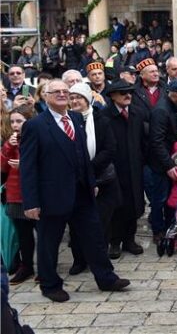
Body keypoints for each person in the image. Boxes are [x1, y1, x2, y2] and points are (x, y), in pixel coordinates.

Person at [19, 79, 129, 302]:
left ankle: (106, 278)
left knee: (94, 238)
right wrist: (31, 202)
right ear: (45, 96)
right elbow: (28, 167)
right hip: (52, 196)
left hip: (82, 193)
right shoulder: (35, 125)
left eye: (65, 91)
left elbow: (82, 157)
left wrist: (92, 182)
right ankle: (50, 286)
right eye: (56, 91)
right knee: (49, 244)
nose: (62, 94)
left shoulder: (77, 119)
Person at [67, 82, 122, 273]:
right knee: (76, 224)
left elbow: (110, 149)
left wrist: (89, 169)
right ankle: (79, 259)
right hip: (75, 181)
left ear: (87, 100)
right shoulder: (66, 122)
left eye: (78, 98)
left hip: (102, 179)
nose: (74, 101)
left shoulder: (101, 120)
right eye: (71, 98)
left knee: (100, 222)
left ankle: (98, 258)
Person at [146, 78, 177, 243]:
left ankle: (170, 226)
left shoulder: (173, 106)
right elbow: (156, 141)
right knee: (159, 199)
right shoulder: (161, 110)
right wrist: (168, 165)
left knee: (169, 196)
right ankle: (158, 231)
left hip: (171, 160)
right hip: (161, 164)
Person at [102, 79, 146, 258]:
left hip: (134, 167)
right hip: (114, 168)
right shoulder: (105, 116)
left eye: (130, 92)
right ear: (112, 96)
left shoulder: (138, 113)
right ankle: (115, 241)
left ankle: (130, 239)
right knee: (116, 205)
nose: (128, 95)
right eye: (123, 92)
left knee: (134, 203)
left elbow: (144, 140)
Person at [1, 106, 37, 284]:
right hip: (15, 194)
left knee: (43, 233)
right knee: (23, 235)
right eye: (13, 121)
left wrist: (24, 164)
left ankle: (46, 268)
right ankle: (27, 266)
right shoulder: (10, 142)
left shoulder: (36, 138)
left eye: (19, 121)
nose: (15, 125)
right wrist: (8, 147)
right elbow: (2, 167)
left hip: (35, 194)